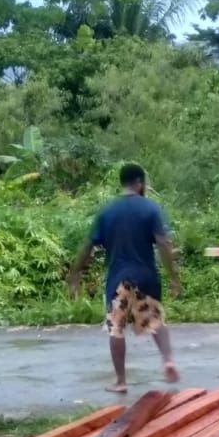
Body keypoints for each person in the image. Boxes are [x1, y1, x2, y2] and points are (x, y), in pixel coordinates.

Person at [67, 162, 182, 393]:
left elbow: (88, 245)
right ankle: (167, 360)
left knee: (116, 327)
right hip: (146, 276)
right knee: (155, 319)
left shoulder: (107, 211)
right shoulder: (151, 208)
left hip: (119, 278)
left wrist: (75, 273)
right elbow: (163, 243)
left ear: (123, 183)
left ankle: (120, 381)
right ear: (139, 182)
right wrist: (173, 276)